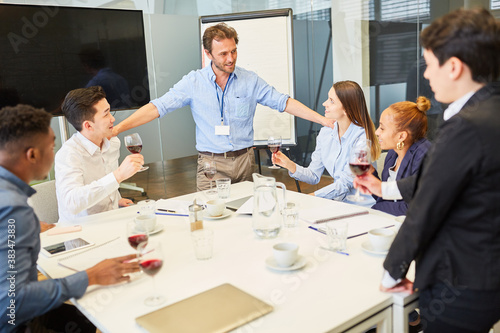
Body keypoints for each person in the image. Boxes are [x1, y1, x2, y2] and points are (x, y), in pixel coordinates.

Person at [355, 8, 500, 332]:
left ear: (453, 67)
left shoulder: (466, 127)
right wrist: (382, 189)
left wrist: (393, 271)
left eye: (430, 64)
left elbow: (426, 208)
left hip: (460, 281)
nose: (426, 75)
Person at [112, 23, 335, 191]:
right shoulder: (193, 82)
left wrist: (323, 120)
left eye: (234, 51)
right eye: (223, 54)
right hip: (211, 165)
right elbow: (156, 107)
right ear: (208, 54)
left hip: (245, 162)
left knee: (245, 218)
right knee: (213, 220)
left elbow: (284, 102)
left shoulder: (250, 80)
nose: (231, 58)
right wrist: (117, 129)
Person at [0, 105, 140, 332]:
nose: (56, 154)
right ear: (33, 155)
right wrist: (91, 276)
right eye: (51, 146)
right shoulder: (14, 209)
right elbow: (12, 303)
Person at [272, 80, 380, 203]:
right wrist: (289, 165)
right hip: (338, 203)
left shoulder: (362, 139)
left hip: (363, 206)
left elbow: (345, 184)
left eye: (331, 101)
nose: (324, 103)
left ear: (346, 109)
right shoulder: (325, 133)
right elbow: (313, 175)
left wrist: (312, 197)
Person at [55, 86, 144, 223]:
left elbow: (105, 180)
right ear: (88, 126)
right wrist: (118, 175)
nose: (112, 119)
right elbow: (71, 203)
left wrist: (116, 200)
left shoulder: (112, 143)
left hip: (112, 221)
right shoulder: (68, 155)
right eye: (106, 114)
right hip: (84, 233)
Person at [370, 96, 431, 216]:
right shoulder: (393, 154)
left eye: (382, 128)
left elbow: (415, 208)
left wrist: (375, 209)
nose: (377, 132)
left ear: (401, 136)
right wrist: (371, 175)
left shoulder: (425, 156)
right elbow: (387, 197)